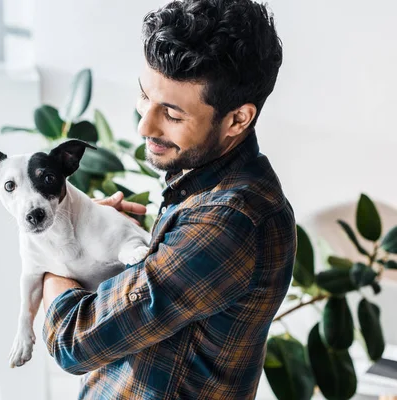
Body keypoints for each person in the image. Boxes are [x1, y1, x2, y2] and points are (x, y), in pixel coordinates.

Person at [42, 0, 295, 398]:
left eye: (172, 115)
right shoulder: (200, 184)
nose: (144, 124)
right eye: (144, 96)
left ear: (237, 119)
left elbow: (74, 343)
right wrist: (106, 241)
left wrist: (55, 256)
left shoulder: (232, 220)